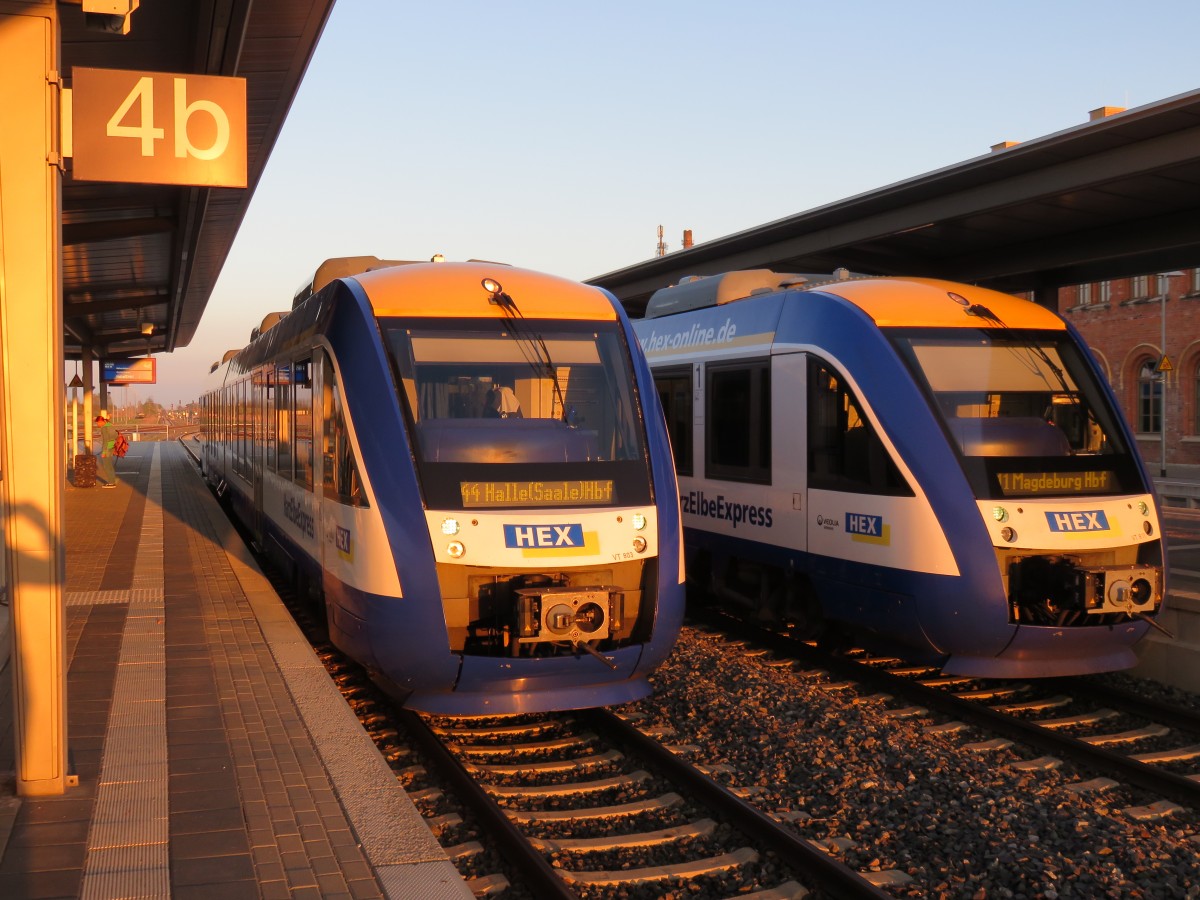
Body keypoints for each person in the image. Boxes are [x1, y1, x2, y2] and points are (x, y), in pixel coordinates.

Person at [95, 411, 119, 488]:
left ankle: (111, 483)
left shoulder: (104, 428)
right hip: (112, 446)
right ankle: (112, 480)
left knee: (106, 466)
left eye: (98, 423)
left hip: (107, 448)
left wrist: (104, 452)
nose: (97, 424)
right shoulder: (110, 425)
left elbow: (105, 440)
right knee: (110, 465)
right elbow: (115, 435)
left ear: (101, 421)